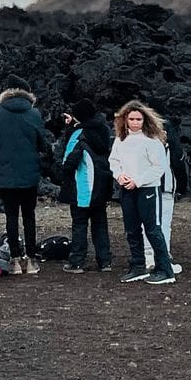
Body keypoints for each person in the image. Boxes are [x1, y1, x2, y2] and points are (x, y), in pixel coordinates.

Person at [108, 102, 177, 285]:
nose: (135, 123)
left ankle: (165, 269)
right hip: (127, 189)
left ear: (145, 119)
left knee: (153, 229)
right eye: (132, 119)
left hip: (148, 190)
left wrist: (138, 181)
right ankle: (138, 265)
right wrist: (119, 175)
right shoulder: (120, 139)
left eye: (139, 119)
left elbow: (159, 167)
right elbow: (113, 161)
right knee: (132, 229)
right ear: (125, 120)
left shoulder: (153, 140)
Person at [0, 87, 51, 275]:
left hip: (6, 173)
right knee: (29, 216)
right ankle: (31, 259)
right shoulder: (34, 113)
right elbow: (42, 142)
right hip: (29, 172)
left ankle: (15, 260)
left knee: (11, 217)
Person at [58, 98, 114, 274]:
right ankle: (105, 261)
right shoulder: (104, 130)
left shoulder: (80, 133)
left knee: (80, 224)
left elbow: (69, 161)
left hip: (82, 186)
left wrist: (70, 130)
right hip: (101, 185)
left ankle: (77, 261)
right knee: (100, 225)